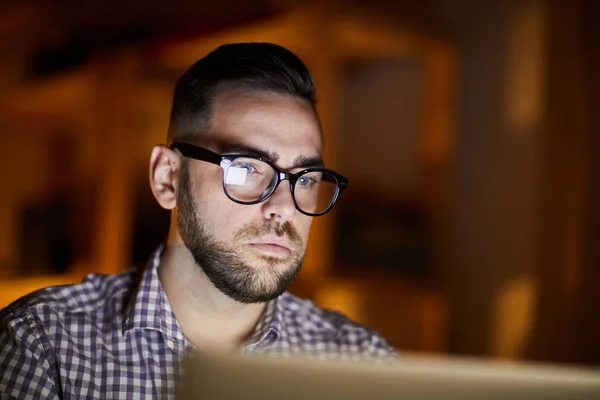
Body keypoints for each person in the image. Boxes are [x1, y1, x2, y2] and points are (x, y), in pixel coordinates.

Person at [0, 43, 396, 399]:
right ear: (167, 178)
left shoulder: (360, 362)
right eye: (246, 169)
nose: (284, 207)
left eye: (305, 179)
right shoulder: (43, 344)